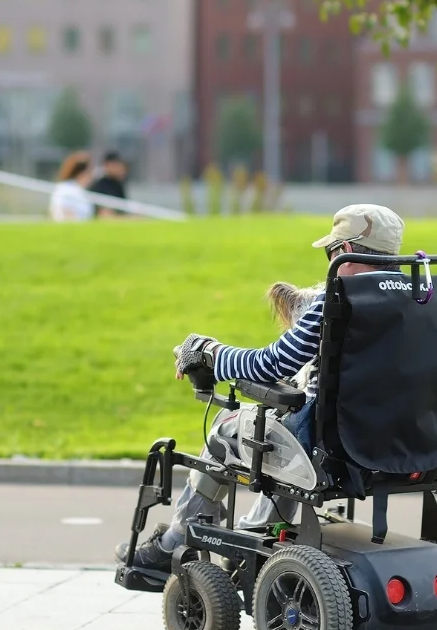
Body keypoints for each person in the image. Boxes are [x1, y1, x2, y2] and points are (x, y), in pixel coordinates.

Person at [116, 203, 409, 569]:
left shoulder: (337, 300)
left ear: (345, 251)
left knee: (230, 431)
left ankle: (178, 542)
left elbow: (270, 364)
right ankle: (257, 532)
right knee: (281, 442)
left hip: (332, 443)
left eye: (330, 251)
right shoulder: (421, 298)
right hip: (401, 440)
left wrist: (210, 353)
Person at [49, 151, 95, 222]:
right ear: (81, 173)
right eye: (89, 173)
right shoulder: (66, 189)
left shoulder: (79, 190)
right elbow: (66, 215)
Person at [89, 151, 128, 219]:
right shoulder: (99, 185)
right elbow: (102, 213)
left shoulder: (118, 185)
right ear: (106, 165)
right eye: (115, 165)